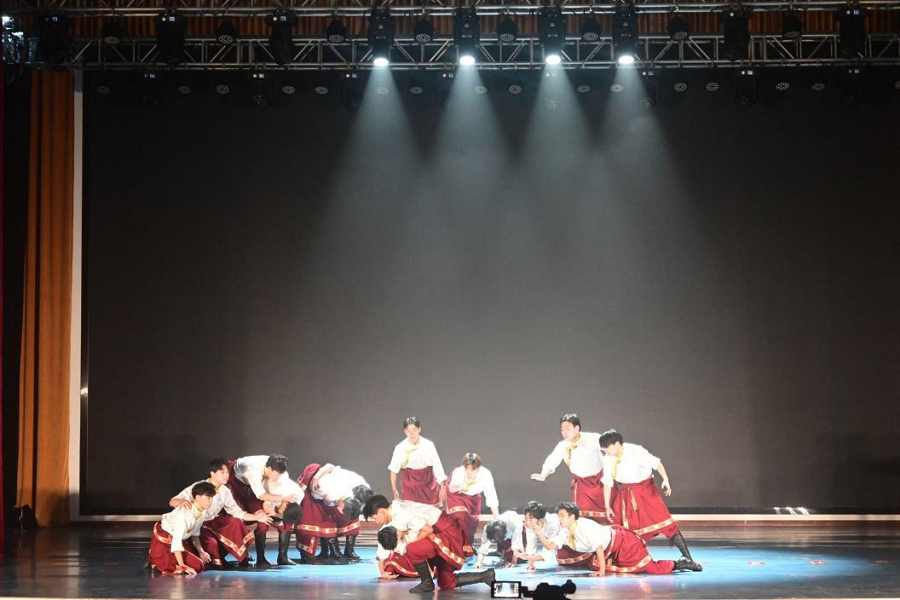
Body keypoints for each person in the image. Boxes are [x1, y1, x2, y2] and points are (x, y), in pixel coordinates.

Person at [599, 429, 695, 561]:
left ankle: (687, 557)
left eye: (606, 447)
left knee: (665, 522)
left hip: (646, 492)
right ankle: (626, 558)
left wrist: (665, 479)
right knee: (622, 528)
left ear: (616, 444)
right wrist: (607, 506)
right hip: (626, 495)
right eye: (603, 448)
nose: (605, 450)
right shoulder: (607, 458)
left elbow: (656, 463)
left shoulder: (635, 451)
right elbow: (607, 482)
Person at [538, 502, 701, 575]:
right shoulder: (564, 532)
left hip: (624, 543)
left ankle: (681, 564)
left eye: (562, 516)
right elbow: (551, 546)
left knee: (649, 568)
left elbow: (598, 548)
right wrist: (539, 532)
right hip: (611, 550)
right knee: (597, 565)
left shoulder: (585, 526)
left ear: (573, 516)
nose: (560, 519)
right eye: (559, 516)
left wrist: (602, 571)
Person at [169, 458, 270, 569]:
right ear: (212, 474)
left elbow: (237, 512)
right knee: (211, 542)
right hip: (197, 524)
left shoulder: (224, 491)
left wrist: (257, 517)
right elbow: (172, 501)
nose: (226, 475)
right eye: (222, 472)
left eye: (227, 472)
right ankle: (214, 560)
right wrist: (181, 502)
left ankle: (241, 557)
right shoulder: (200, 487)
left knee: (236, 523)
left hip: (212, 522)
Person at [530, 414, 607, 523]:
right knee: (582, 518)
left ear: (577, 428)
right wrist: (543, 474)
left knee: (606, 515)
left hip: (600, 482)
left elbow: (609, 446)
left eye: (567, 429)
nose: (564, 432)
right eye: (562, 430)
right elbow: (552, 460)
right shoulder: (563, 445)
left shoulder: (592, 438)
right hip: (582, 486)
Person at [226, 454, 299, 567]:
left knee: (285, 520)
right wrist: (280, 499)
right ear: (269, 469)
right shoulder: (252, 470)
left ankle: (283, 557)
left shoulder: (282, 475)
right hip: (239, 485)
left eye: (280, 475)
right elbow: (261, 495)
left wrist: (276, 508)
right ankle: (260, 558)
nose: (278, 477)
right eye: (277, 474)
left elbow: (287, 509)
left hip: (264, 492)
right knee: (261, 518)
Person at [378, 525, 496, 593]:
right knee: (446, 583)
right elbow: (382, 554)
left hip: (442, 542)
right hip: (432, 554)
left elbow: (429, 530)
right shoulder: (386, 536)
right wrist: (382, 572)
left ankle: (427, 583)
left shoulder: (407, 520)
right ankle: (485, 576)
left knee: (412, 550)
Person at [305, 463, 373, 562]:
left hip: (337, 500)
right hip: (320, 500)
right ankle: (332, 551)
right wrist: (316, 478)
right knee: (327, 522)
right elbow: (329, 466)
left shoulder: (354, 489)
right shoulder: (327, 491)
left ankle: (349, 551)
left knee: (352, 518)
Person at [147, 482, 216, 575]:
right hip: (166, 537)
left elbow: (195, 533)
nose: (211, 501)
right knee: (197, 565)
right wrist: (182, 566)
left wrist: (201, 551)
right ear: (198, 497)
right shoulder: (185, 513)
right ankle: (156, 556)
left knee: (199, 563)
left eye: (212, 498)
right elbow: (176, 540)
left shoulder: (202, 511)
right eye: (208, 498)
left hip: (178, 538)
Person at [389, 417, 447, 506]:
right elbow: (393, 470)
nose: (411, 433)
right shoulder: (400, 448)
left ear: (419, 429)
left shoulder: (428, 445)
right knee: (412, 510)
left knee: (432, 511)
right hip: (410, 484)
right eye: (408, 430)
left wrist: (443, 486)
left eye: (414, 429)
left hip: (428, 481)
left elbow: (437, 465)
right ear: (405, 431)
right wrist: (394, 489)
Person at [446, 453, 500, 542]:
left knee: (471, 522)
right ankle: (458, 542)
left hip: (474, 497)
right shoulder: (458, 472)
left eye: (473, 470)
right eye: (466, 469)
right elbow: (451, 489)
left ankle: (468, 542)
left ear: (478, 468)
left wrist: (497, 519)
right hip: (457, 495)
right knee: (460, 517)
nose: (469, 473)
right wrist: (461, 487)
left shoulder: (485, 475)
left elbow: (491, 496)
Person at [517, 501, 561, 571]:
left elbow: (547, 552)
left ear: (540, 520)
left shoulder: (553, 526)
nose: (527, 522)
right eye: (526, 518)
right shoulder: (532, 522)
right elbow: (531, 541)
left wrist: (526, 557)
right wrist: (531, 564)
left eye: (530, 519)